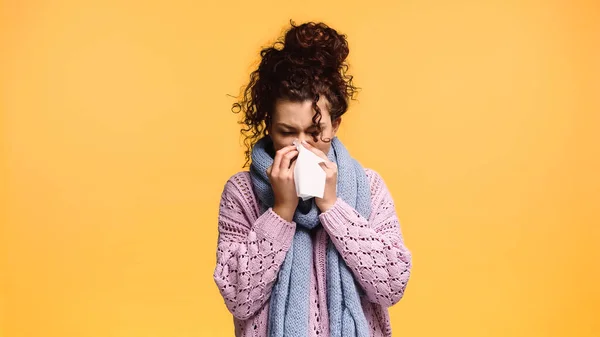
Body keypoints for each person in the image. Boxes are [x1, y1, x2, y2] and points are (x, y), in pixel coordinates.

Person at [213, 21, 412, 337]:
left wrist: (332, 206)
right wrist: (280, 211)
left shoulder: (369, 187)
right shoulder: (242, 193)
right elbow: (239, 297)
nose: (300, 145)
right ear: (269, 126)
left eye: (315, 133)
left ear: (335, 125)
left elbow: (391, 285)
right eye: (287, 132)